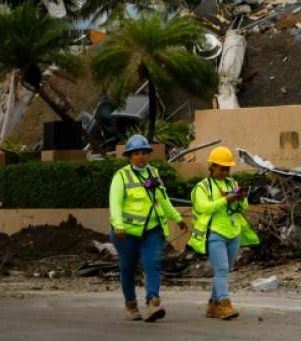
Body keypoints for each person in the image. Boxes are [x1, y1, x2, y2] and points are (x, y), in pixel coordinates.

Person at [108, 134, 187, 322]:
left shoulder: (154, 173)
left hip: (152, 230)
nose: (141, 156)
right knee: (128, 268)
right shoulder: (121, 176)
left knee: (153, 263)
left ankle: (153, 302)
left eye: (144, 152)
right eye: (136, 153)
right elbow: (115, 203)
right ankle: (131, 305)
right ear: (129, 156)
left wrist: (176, 217)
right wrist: (118, 226)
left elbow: (162, 198)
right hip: (126, 233)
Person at [188, 146, 259, 320]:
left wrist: (239, 199)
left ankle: (212, 305)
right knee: (221, 269)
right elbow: (204, 207)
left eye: (228, 168)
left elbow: (243, 206)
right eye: (222, 168)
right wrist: (225, 199)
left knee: (224, 271)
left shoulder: (231, 183)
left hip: (233, 232)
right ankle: (225, 304)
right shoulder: (202, 187)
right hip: (215, 233)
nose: (225, 171)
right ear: (212, 166)